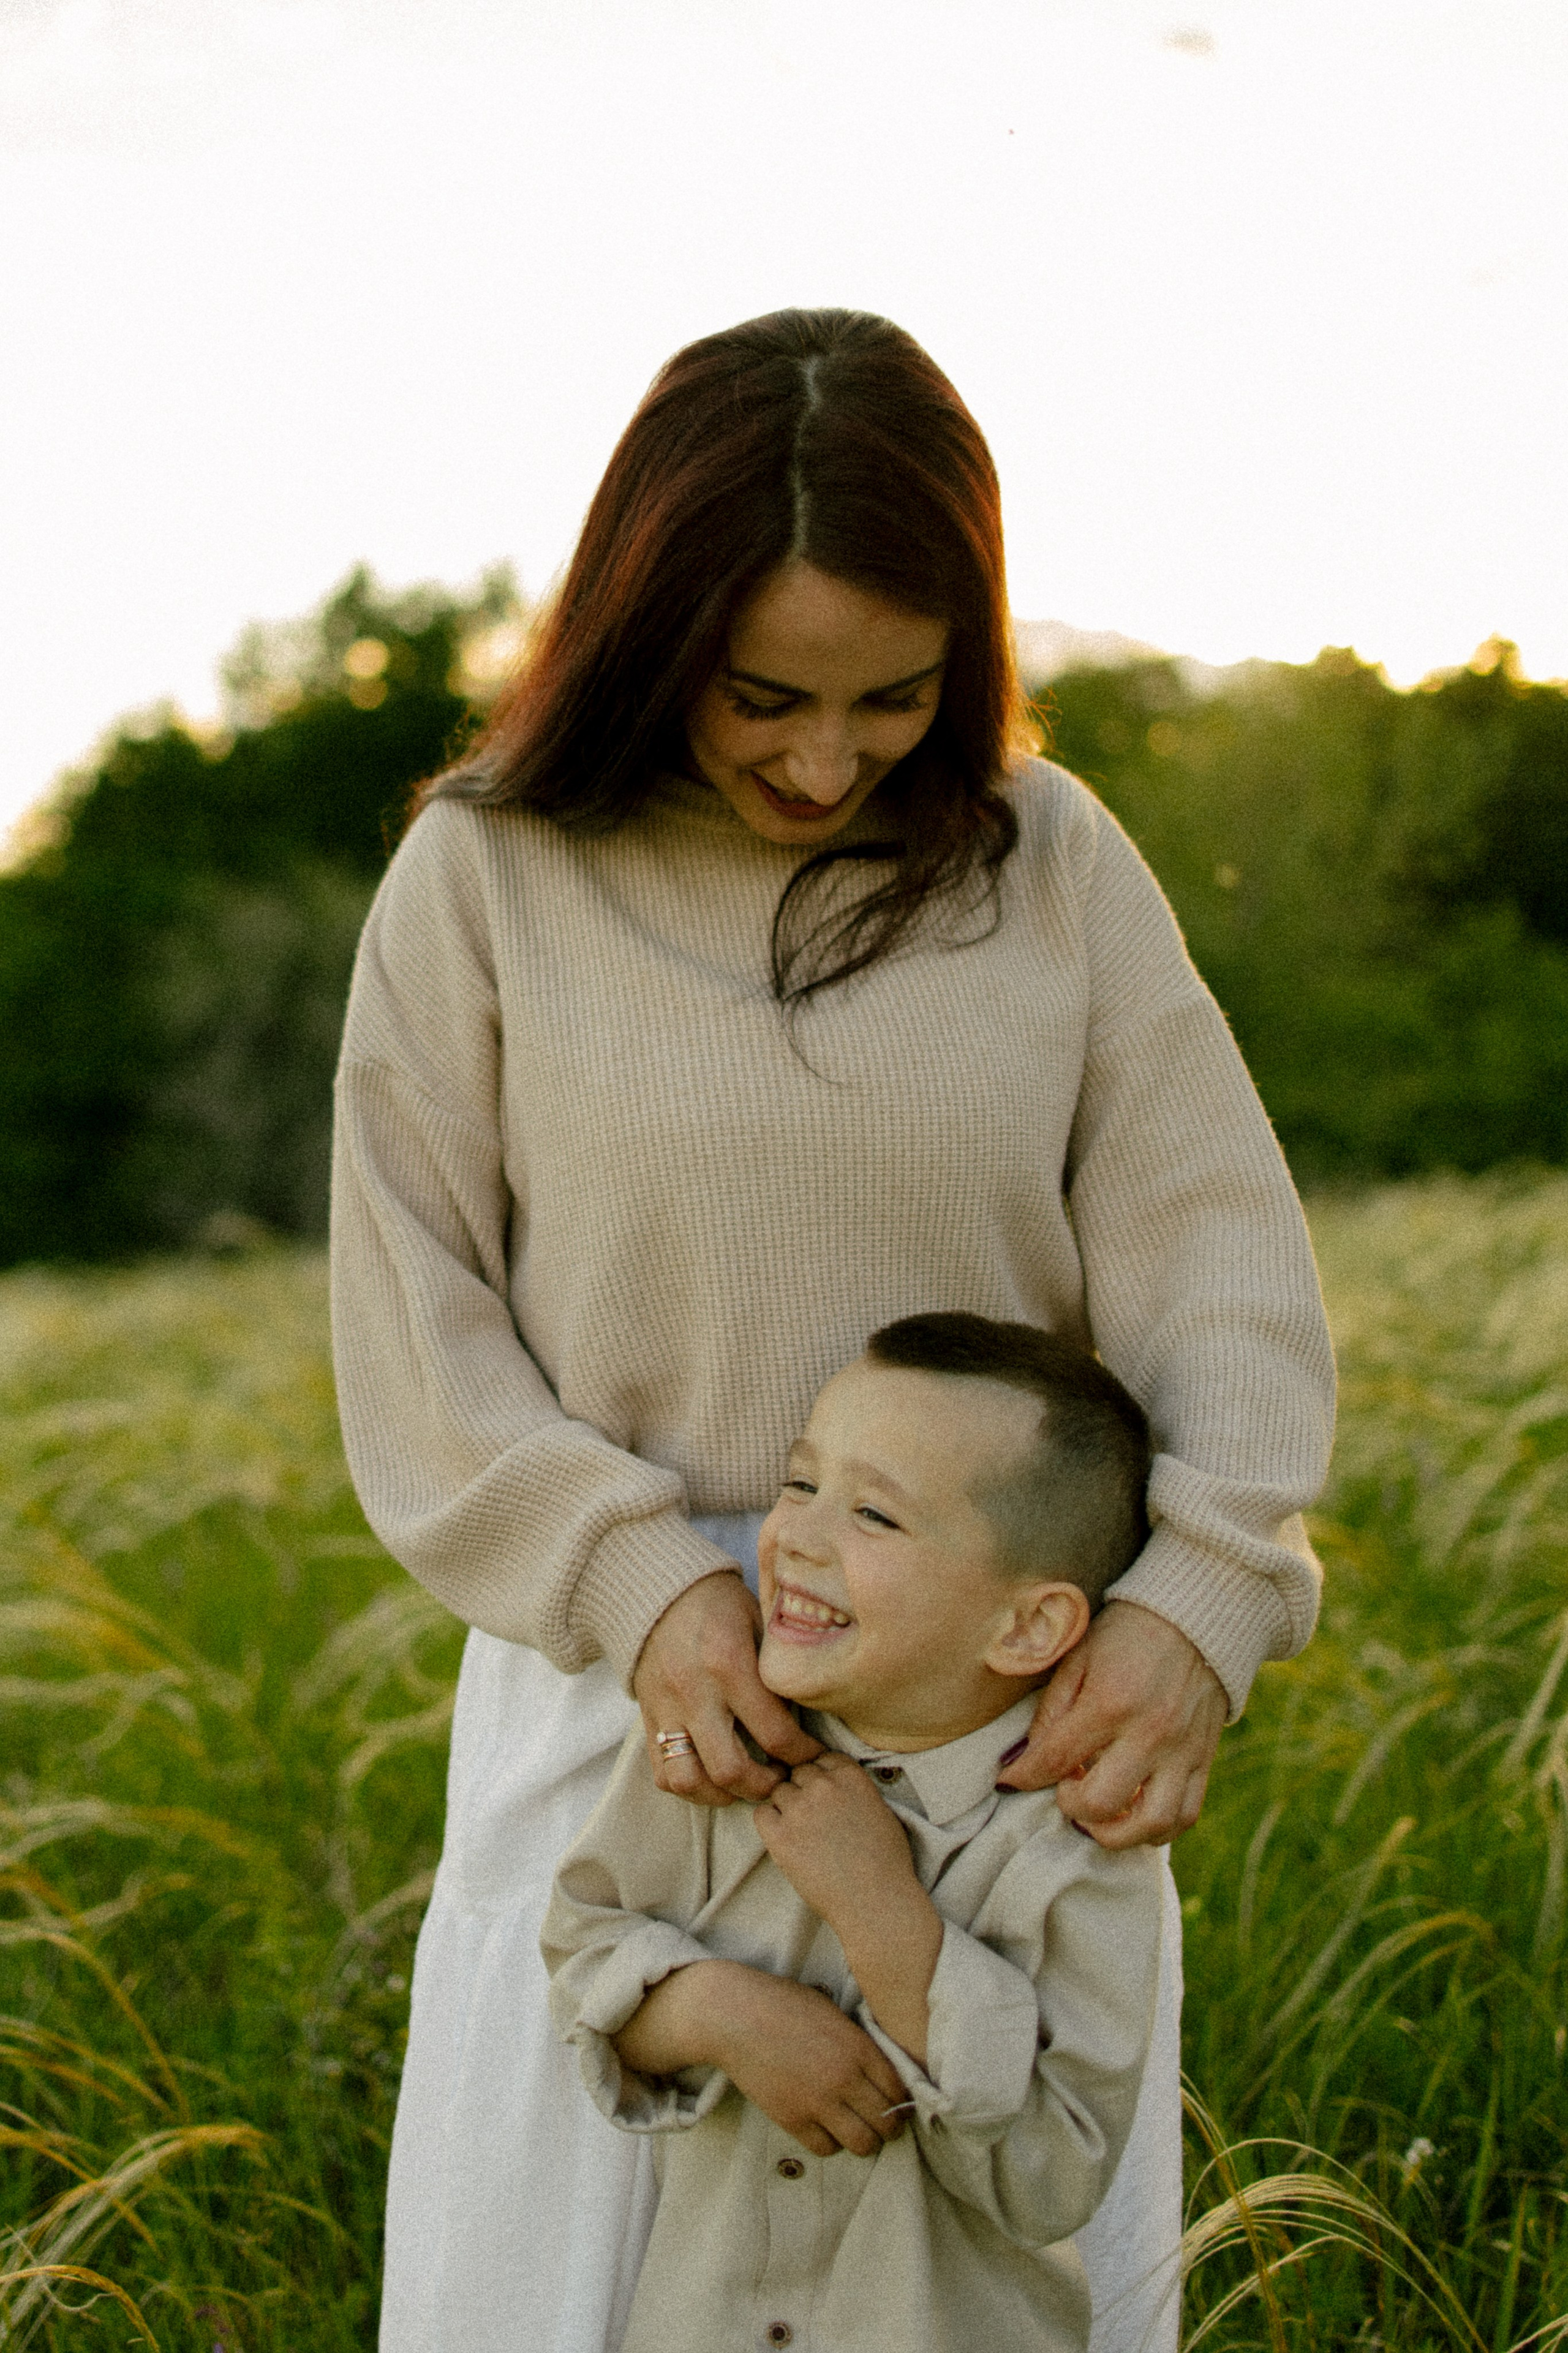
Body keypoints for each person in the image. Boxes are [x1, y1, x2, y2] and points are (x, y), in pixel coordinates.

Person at [328, 306, 1335, 2353]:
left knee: (987, 2281)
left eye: (893, 697)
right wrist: (637, 1587)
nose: (819, 759)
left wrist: (1199, 1600)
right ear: (646, 624)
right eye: (763, 693)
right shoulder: (492, 870)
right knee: (555, 2301)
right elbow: (411, 1300)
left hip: (999, 1718)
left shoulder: (1049, 864)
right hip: (632, 1714)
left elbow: (1213, 1252)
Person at [542, 1313, 1166, 2353]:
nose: (798, 1537)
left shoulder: (1079, 1848)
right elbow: (584, 1946)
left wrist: (882, 1916)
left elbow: (1048, 2178)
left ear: (1026, 1626)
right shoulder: (721, 1749)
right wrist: (718, 2011)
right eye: (799, 1483)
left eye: (875, 1514)